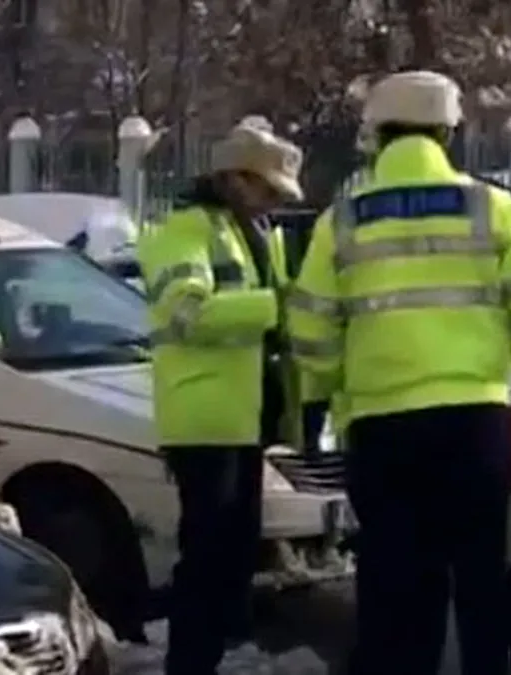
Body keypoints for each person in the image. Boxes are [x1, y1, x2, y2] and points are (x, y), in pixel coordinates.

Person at [287, 70, 511, 675]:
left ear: (378, 136)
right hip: (473, 426)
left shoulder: (342, 221)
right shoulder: (492, 208)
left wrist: (344, 383)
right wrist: (498, 359)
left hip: (382, 430)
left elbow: (309, 328)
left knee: (393, 590)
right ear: (447, 132)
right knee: (479, 582)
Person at [136, 123, 304, 675]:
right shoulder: (184, 230)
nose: (275, 201)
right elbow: (188, 312)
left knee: (232, 556)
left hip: (243, 418)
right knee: (208, 557)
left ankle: (212, 655)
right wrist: (275, 305)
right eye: (269, 189)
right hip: (203, 418)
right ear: (234, 178)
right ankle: (190, 663)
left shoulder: (250, 230)